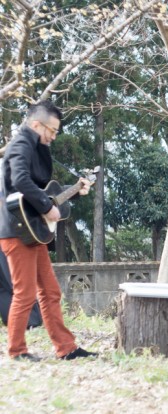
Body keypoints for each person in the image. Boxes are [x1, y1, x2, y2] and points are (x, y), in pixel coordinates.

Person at [0, 100, 97, 361]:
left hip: (32, 230)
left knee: (50, 291)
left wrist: (75, 190)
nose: (54, 136)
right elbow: (20, 180)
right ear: (35, 124)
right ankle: (17, 350)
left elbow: (45, 193)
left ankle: (66, 348)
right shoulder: (21, 144)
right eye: (51, 130)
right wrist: (45, 207)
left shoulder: (35, 146)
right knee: (24, 293)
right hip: (16, 231)